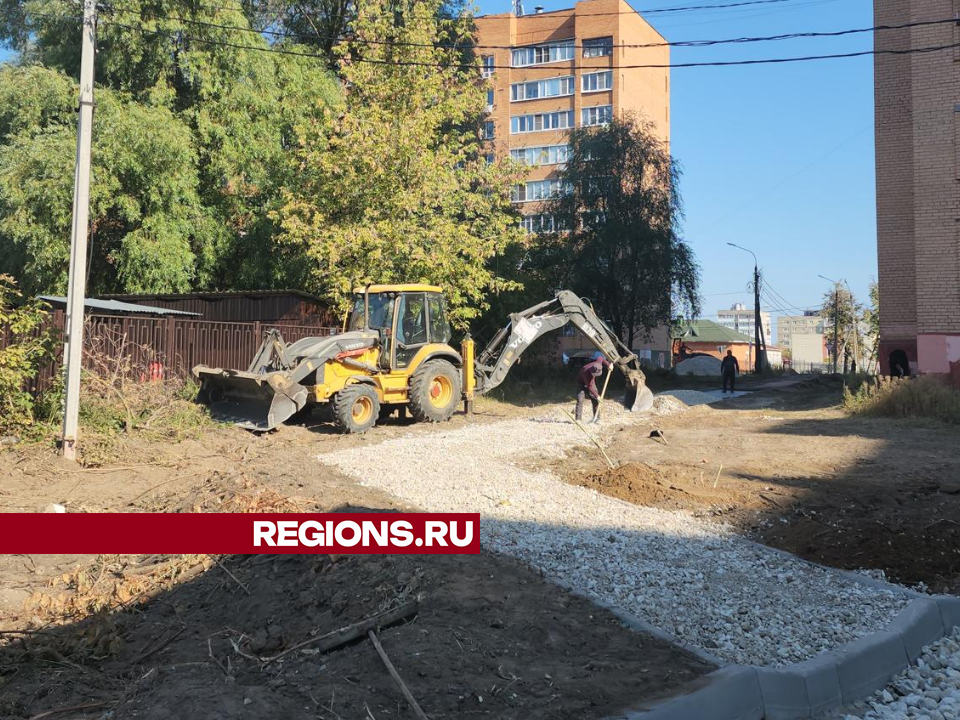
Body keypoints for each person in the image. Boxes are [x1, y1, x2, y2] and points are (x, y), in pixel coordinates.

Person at [575, 354, 612, 423]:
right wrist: (597, 396)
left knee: (595, 400)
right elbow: (589, 386)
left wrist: (608, 365)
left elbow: (601, 357)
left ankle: (597, 418)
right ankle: (578, 419)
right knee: (580, 399)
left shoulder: (598, 364)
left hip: (591, 383)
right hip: (581, 383)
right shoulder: (586, 372)